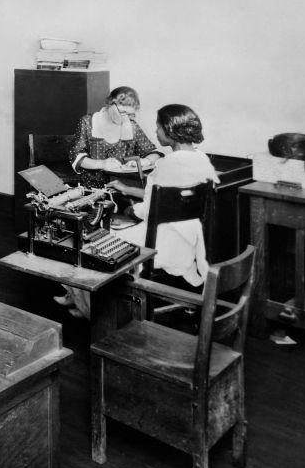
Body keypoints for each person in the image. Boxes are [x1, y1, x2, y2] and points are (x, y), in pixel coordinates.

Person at [56, 104, 219, 318]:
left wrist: (130, 210)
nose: (156, 132)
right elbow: (168, 196)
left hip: (160, 241)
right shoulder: (202, 159)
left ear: (170, 130)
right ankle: (77, 298)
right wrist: (126, 189)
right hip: (189, 238)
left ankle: (89, 309)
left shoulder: (167, 164)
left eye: (158, 127)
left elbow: (148, 210)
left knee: (89, 243)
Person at [69, 86, 161, 188]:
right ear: (110, 104)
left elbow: (154, 153)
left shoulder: (131, 125)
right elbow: (76, 156)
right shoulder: (88, 122)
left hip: (124, 187)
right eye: (123, 112)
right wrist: (102, 164)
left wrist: (145, 161)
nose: (126, 118)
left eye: (130, 114)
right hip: (93, 186)